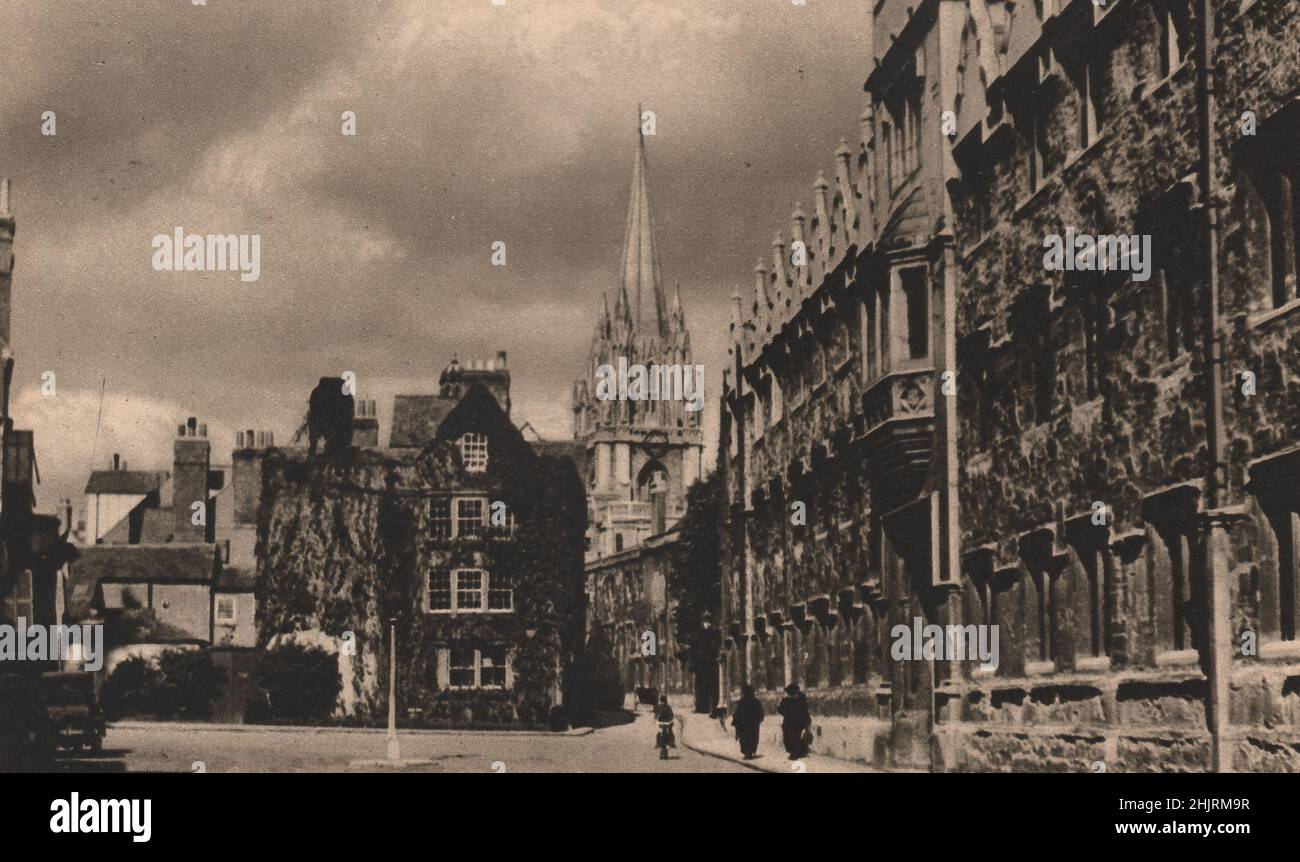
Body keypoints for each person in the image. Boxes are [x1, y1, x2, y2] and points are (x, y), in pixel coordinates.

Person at [777, 683, 811, 760]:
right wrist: (807, 721)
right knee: (796, 737)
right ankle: (796, 753)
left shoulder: (785, 700)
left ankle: (794, 753)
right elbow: (805, 711)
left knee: (788, 738)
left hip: (788, 723)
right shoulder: (801, 700)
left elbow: (780, 710)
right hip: (799, 723)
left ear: (789, 692)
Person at [731, 685, 764, 760]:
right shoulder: (756, 701)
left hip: (743, 724)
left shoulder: (742, 702)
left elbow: (737, 713)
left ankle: (747, 752)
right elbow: (761, 713)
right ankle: (750, 751)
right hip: (753, 724)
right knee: (753, 737)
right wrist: (759, 720)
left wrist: (736, 721)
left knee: (744, 738)